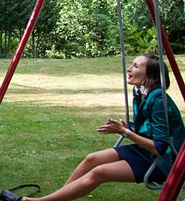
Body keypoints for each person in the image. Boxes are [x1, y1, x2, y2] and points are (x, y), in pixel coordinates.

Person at [23, 54, 185, 201]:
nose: (129, 68)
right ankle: (59, 198)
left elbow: (160, 147)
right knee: (91, 159)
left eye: (136, 66)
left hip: (164, 161)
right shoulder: (141, 93)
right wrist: (129, 127)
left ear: (150, 75)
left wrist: (126, 132)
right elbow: (149, 128)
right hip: (145, 151)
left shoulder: (159, 100)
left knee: (99, 172)